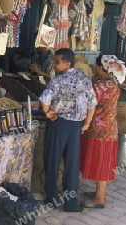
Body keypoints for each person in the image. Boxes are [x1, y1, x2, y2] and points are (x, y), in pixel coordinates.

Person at [39, 48, 97, 212]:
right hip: (76, 127)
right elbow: (92, 103)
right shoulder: (84, 79)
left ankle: (51, 198)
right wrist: (86, 123)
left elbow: (44, 100)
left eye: (57, 62)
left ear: (67, 63)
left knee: (52, 161)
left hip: (59, 124)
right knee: (71, 165)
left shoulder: (58, 80)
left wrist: (48, 112)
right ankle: (71, 203)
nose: (54, 65)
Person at [80, 55, 126, 209]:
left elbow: (87, 102)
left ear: (102, 68)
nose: (95, 69)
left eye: (97, 66)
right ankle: (99, 193)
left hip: (99, 129)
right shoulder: (113, 82)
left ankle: (99, 199)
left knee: (100, 163)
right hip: (109, 128)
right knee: (103, 161)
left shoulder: (100, 87)